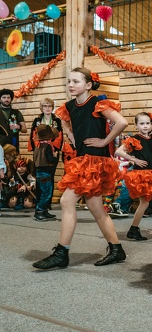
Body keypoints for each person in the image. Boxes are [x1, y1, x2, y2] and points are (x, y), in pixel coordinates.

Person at [33, 67, 129, 270]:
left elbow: (122, 122)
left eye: (76, 81)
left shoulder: (97, 103)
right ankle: (116, 248)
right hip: (83, 159)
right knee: (96, 209)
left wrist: (105, 142)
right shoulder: (68, 106)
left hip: (95, 160)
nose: (71, 85)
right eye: (69, 81)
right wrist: (70, 134)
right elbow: (66, 122)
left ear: (87, 84)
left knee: (67, 200)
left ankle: (62, 253)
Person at [115, 112, 152, 240]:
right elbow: (119, 151)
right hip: (141, 174)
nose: (145, 126)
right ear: (136, 126)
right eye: (142, 123)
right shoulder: (134, 139)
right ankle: (133, 229)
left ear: (151, 125)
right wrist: (134, 159)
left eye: (148, 123)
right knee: (144, 203)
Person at [28, 98, 63, 212]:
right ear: (41, 107)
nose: (47, 108)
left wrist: (54, 148)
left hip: (52, 151)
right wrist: (38, 147)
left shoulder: (56, 120)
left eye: (49, 106)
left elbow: (60, 136)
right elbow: (32, 135)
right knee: (40, 178)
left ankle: (47, 203)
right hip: (39, 151)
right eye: (45, 106)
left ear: (52, 107)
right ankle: (39, 202)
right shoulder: (37, 120)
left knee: (50, 177)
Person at [33, 124, 60, 221]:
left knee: (42, 192)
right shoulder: (48, 146)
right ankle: (39, 211)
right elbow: (50, 160)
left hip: (38, 172)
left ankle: (44, 211)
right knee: (47, 193)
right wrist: (55, 156)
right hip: (46, 172)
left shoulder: (37, 146)